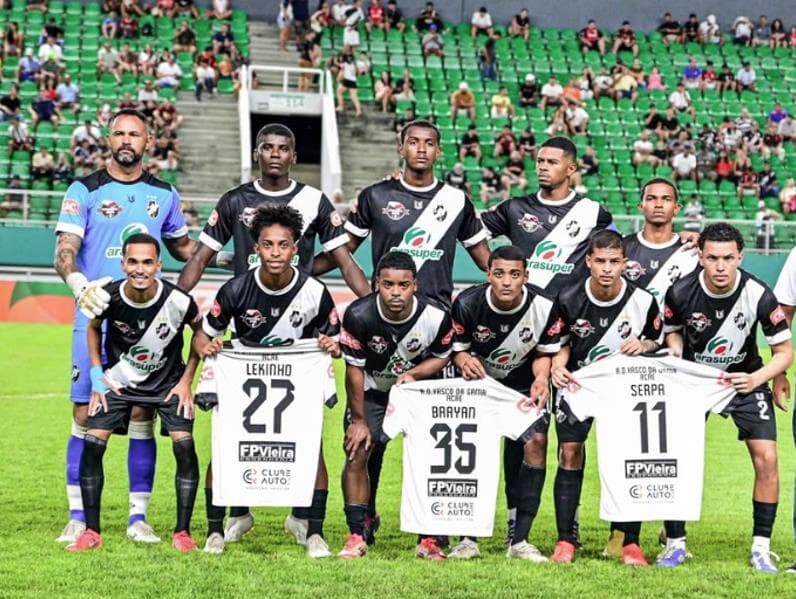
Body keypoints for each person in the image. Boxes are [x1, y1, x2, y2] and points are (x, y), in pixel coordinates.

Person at [53, 109, 201, 545]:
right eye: (118, 133)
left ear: (148, 141)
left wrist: (236, 255)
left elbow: (184, 248)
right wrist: (79, 285)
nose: (125, 140)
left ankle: (139, 518)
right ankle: (78, 516)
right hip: (95, 316)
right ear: (108, 139)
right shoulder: (84, 189)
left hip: (145, 324)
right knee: (85, 413)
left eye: (134, 134)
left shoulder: (163, 193)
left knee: (142, 413)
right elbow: (65, 248)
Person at [480, 137, 613, 539]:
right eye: (539, 160)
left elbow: (618, 251)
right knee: (519, 432)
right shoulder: (514, 209)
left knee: (572, 438)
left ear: (571, 169)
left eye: (552, 161)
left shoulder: (593, 213)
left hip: (572, 338)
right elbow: (467, 230)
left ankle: (569, 524)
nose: (542, 166)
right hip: (524, 339)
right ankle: (514, 520)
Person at [191, 204, 341, 557]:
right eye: (268, 245)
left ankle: (314, 531)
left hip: (296, 383)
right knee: (226, 449)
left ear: (295, 249)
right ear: (256, 248)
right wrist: (207, 345)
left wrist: (332, 345)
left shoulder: (315, 291)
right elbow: (201, 336)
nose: (275, 252)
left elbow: (337, 342)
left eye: (283, 245)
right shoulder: (235, 289)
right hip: (242, 381)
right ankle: (216, 529)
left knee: (312, 450)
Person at [662, 223, 792, 572]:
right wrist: (676, 354)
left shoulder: (759, 293)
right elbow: (672, 334)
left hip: (745, 379)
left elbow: (784, 352)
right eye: (712, 258)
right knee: (677, 459)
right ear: (700, 257)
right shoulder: (680, 292)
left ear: (740, 257)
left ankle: (761, 548)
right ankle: (675, 543)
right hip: (695, 382)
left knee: (767, 459)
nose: (720, 267)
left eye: (728, 258)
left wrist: (757, 379)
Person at [65, 234, 201, 553]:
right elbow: (92, 328)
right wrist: (97, 375)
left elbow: (201, 332)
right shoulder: (109, 296)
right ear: (123, 264)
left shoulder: (179, 300)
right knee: (93, 443)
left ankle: (182, 533)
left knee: (185, 446)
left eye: (147, 262)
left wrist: (187, 380)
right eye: (134, 262)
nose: (140, 269)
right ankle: (91, 531)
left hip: (168, 384)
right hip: (120, 383)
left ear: (158, 265)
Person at [550, 230, 663, 566]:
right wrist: (557, 366)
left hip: (624, 390)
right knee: (569, 453)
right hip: (579, 385)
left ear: (624, 263)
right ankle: (565, 541)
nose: (607, 269)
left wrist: (643, 345)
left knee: (630, 459)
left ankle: (630, 542)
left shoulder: (643, 300)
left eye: (614, 262)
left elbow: (657, 339)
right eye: (600, 261)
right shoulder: (568, 297)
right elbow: (561, 343)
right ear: (588, 261)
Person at [337, 251, 454, 560]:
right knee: (358, 449)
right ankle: (357, 532)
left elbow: (442, 357)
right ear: (377, 283)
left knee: (432, 457)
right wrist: (358, 420)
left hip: (419, 394)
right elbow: (353, 370)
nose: (396, 292)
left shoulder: (436, 316)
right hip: (373, 391)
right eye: (388, 285)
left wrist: (414, 374)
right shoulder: (359, 314)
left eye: (403, 285)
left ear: (415, 285)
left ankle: (429, 535)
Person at [449, 245, 561, 560]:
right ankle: (467, 538)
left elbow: (544, 353)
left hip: (523, 385)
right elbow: (457, 350)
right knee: (470, 454)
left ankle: (519, 539)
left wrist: (542, 377)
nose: (507, 281)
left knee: (536, 442)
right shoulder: (467, 303)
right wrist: (463, 360)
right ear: (488, 275)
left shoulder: (544, 305)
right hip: (479, 386)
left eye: (514, 274)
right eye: (499, 274)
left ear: (526, 276)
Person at [327, 119, 490, 311]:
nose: (421, 149)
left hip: (437, 314)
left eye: (429, 144)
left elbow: (487, 262)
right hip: (384, 314)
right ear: (401, 149)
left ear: (438, 152)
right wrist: (368, 297)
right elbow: (342, 252)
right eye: (413, 142)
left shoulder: (457, 200)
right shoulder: (375, 195)